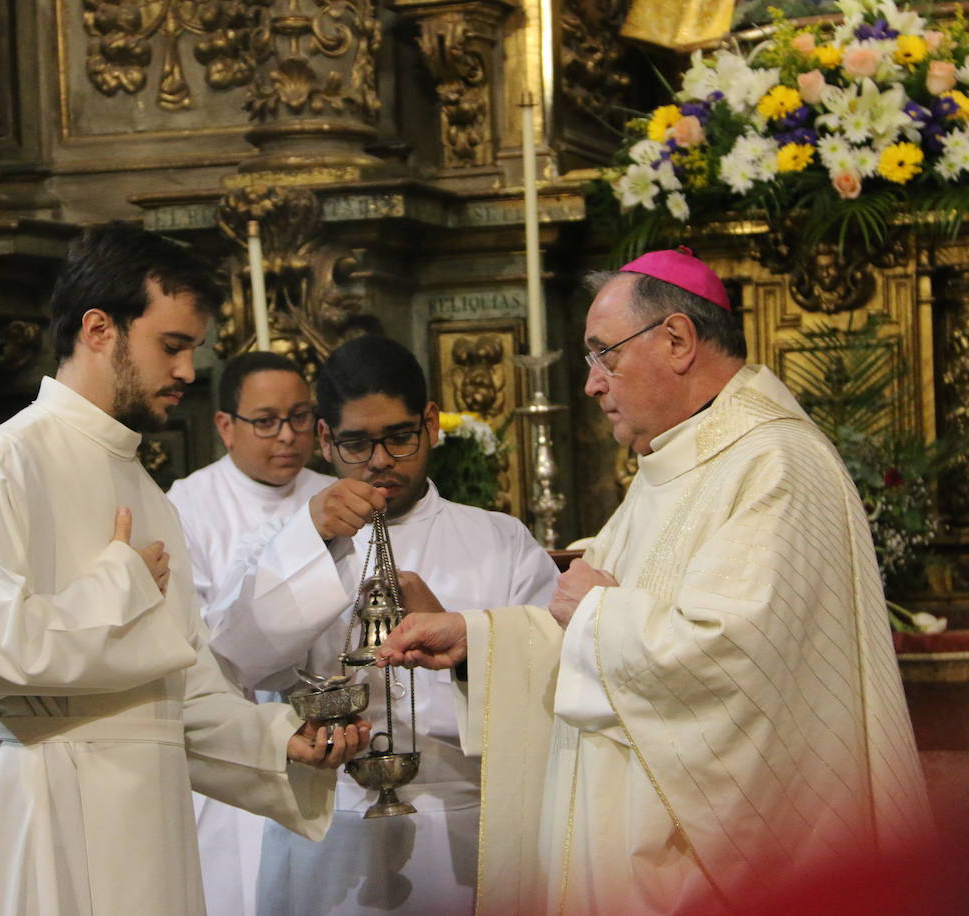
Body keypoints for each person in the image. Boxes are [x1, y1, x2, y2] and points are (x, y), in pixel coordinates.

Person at [378, 247, 931, 913]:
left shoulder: (775, 465)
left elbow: (732, 660)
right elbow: (586, 626)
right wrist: (478, 642)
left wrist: (599, 615)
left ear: (676, 340)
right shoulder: (674, 464)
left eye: (603, 353)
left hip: (702, 877)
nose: (593, 383)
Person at [0, 224, 369, 916]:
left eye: (191, 350)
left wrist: (282, 741)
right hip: (43, 808)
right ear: (99, 330)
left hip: (147, 817)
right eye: (172, 345)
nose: (186, 370)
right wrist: (115, 589)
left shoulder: (146, 492)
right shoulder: (4, 462)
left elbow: (177, 689)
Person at [209, 335, 559, 915]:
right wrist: (310, 546)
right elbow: (233, 661)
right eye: (355, 443)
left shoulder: (499, 541)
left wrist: (466, 632)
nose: (379, 461)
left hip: (464, 820)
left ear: (430, 424)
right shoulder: (280, 542)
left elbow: (557, 675)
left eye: (399, 437)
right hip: (329, 817)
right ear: (324, 439)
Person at [166, 351, 334, 916]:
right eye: (266, 421)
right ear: (224, 426)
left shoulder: (332, 494)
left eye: (301, 417)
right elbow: (193, 637)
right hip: (230, 746)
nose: (287, 436)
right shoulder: (185, 505)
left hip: (323, 736)